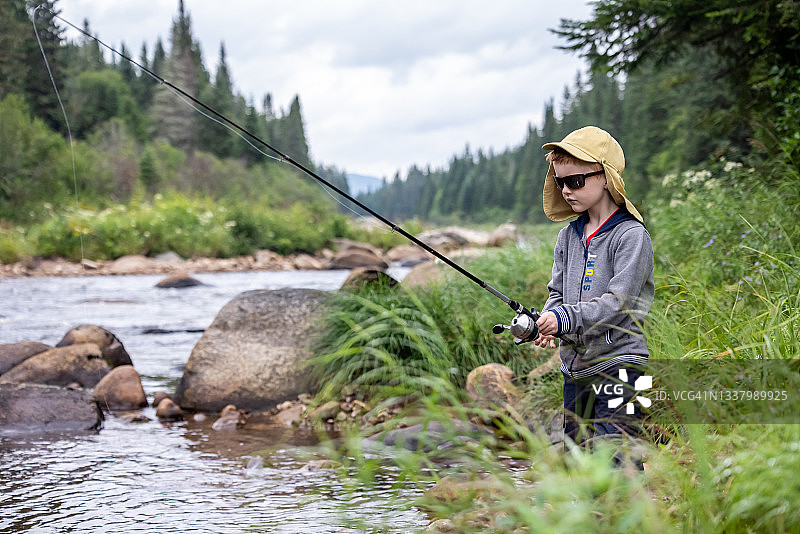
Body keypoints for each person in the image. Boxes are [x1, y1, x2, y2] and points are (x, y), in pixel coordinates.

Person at [532, 126, 654, 447]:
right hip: (575, 368)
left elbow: (620, 302)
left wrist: (566, 319)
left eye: (576, 181)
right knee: (580, 458)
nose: (567, 191)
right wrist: (547, 321)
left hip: (623, 365)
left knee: (619, 457)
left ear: (605, 177)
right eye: (561, 183)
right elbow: (557, 293)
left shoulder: (631, 236)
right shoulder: (567, 237)